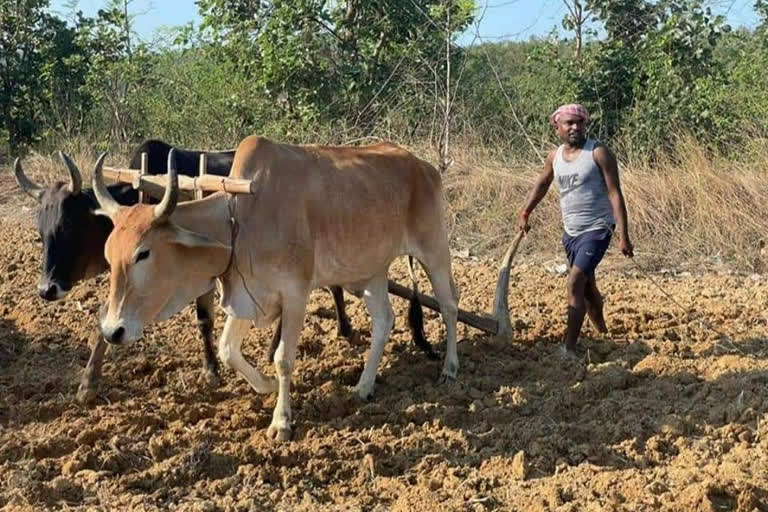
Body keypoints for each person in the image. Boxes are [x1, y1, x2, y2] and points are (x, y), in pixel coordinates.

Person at [518, 103, 633, 357]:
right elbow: (542, 183)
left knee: (575, 281)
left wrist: (623, 235)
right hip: (571, 232)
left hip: (598, 228)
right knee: (588, 287)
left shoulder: (598, 153)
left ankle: (569, 347)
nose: (574, 128)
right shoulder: (554, 157)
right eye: (569, 123)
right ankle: (602, 332)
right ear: (557, 126)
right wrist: (526, 212)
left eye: (579, 123)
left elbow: (615, 193)